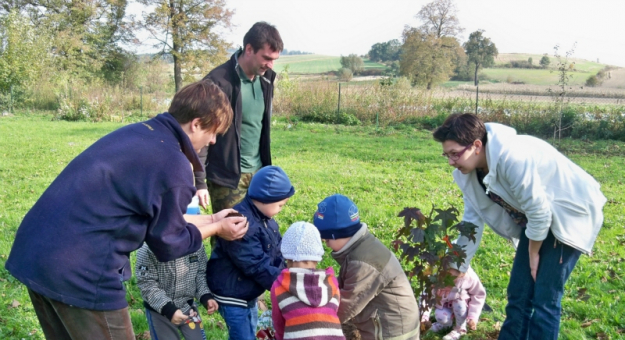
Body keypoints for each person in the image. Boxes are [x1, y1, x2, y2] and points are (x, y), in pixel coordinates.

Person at [4, 79, 249, 340]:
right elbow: (169, 244)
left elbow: (158, 219)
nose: (213, 141)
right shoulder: (172, 162)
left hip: (36, 252)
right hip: (80, 269)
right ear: (196, 123)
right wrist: (217, 229)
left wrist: (211, 217)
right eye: (213, 132)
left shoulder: (140, 133)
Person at [432, 113, 607, 340]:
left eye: (455, 154)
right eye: (446, 155)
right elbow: (471, 221)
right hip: (537, 219)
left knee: (545, 299)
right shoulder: (466, 174)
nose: (451, 162)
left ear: (476, 145)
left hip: (569, 214)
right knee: (519, 295)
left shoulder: (511, 157)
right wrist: (458, 264)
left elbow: (539, 211)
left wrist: (532, 251)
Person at [197, 21, 283, 212]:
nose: (270, 65)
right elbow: (201, 134)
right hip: (227, 178)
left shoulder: (266, 79)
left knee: (258, 232)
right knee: (229, 236)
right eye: (267, 58)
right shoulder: (218, 82)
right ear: (249, 49)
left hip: (259, 174)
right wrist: (199, 182)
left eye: (274, 60)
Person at [312, 194, 420, 340]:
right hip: (387, 325)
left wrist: (313, 322)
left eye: (327, 240)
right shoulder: (362, 247)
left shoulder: (362, 263)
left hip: (392, 332)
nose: (326, 244)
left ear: (338, 234)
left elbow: (347, 306)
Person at [206, 165, 294, 340]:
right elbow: (255, 265)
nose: (281, 209)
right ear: (265, 199)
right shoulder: (241, 225)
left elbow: (278, 252)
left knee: (250, 329)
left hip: (248, 292)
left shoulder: (267, 221)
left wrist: (289, 273)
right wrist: (285, 285)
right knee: (243, 336)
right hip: (231, 294)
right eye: (280, 205)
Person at [271, 221, 346, 340]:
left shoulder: (279, 286)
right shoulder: (331, 283)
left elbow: (279, 325)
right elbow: (333, 312)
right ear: (317, 258)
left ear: (286, 258)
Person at [135, 241, 218, 340]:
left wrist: (205, 296)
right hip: (160, 310)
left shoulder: (196, 244)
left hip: (188, 307)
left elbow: (200, 274)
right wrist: (168, 310)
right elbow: (147, 284)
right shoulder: (148, 249)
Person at [422, 266, 486, 340]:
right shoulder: (436, 275)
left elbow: (478, 295)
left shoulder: (469, 278)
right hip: (444, 304)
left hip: (462, 306)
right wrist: (424, 316)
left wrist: (473, 316)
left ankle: (460, 329)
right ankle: (445, 324)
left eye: (452, 279)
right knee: (440, 315)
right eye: (445, 277)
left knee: (458, 301)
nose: (447, 281)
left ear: (462, 275)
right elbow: (427, 296)